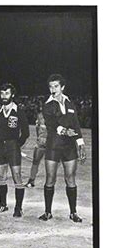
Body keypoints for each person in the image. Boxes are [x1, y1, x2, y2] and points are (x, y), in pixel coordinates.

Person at [39, 74, 86, 223]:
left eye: (56, 86)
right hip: (53, 145)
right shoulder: (47, 104)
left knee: (70, 178)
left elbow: (76, 124)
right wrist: (65, 131)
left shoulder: (70, 103)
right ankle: (47, 212)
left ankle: (73, 213)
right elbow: (51, 123)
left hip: (69, 147)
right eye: (50, 86)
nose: (52, 89)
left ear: (62, 87)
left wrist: (80, 144)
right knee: (50, 178)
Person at [0, 83, 29, 217]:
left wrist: (17, 145)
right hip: (0, 146)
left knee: (16, 176)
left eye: (7, 93)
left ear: (12, 94)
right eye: (2, 93)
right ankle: (2, 205)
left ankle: (18, 208)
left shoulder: (19, 111)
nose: (4, 96)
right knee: (1, 176)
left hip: (13, 147)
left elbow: (25, 132)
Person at [25, 102, 47, 188]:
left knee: (37, 162)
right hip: (43, 142)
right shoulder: (41, 115)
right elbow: (38, 129)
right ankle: (31, 181)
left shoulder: (41, 115)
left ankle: (32, 181)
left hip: (46, 142)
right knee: (36, 162)